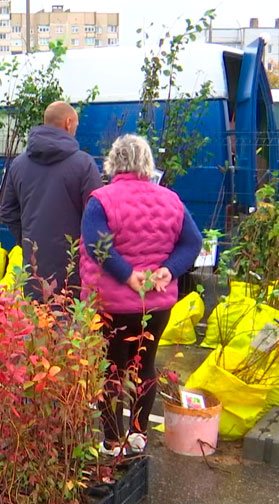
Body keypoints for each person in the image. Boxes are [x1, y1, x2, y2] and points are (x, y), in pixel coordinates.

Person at [79, 134, 202, 455]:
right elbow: (193, 242)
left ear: (113, 162)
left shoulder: (101, 199)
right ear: (147, 163)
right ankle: (138, 434)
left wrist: (127, 275)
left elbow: (96, 243)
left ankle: (111, 439)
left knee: (112, 368)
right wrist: (169, 270)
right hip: (157, 303)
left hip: (112, 303)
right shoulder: (171, 199)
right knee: (145, 364)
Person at [0, 101, 103, 300]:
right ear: (68, 122)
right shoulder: (84, 164)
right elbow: (96, 214)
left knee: (37, 323)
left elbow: (7, 211)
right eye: (76, 126)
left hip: (34, 264)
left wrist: (27, 239)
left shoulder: (19, 164)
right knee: (68, 322)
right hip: (72, 267)